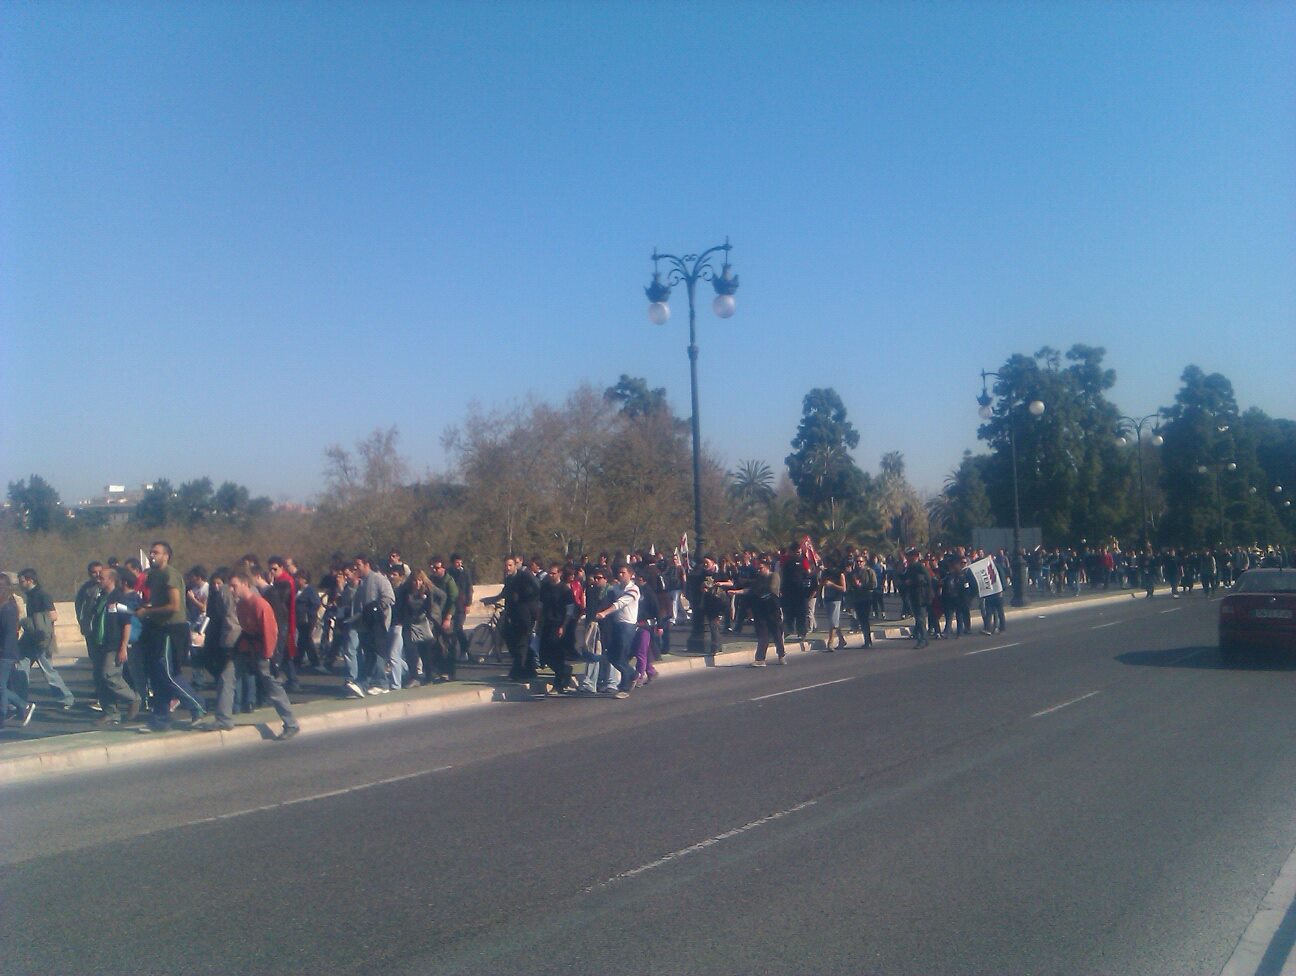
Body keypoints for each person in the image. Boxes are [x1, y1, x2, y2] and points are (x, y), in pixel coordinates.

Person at [214, 571, 299, 740]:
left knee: (272, 687)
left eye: (234, 586)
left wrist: (270, 657)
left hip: (264, 651)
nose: (231, 590)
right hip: (247, 648)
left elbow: (271, 631)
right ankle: (223, 718)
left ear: (245, 584)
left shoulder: (259, 604)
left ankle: (291, 723)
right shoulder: (240, 605)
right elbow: (246, 631)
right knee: (227, 676)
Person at [135, 542, 206, 731]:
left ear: (166, 556)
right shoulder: (153, 575)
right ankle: (161, 719)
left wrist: (148, 612)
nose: (151, 555)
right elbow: (157, 602)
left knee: (168, 673)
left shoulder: (170, 575)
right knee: (157, 676)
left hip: (172, 629)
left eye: (156, 552)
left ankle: (197, 706)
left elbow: (173, 606)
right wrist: (147, 609)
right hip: (157, 628)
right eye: (151, 552)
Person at [86, 568, 142, 725]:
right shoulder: (100, 598)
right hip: (99, 644)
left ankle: (133, 698)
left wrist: (123, 646)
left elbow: (127, 623)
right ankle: (111, 713)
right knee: (99, 679)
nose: (98, 579)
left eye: (102, 577)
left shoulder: (120, 598)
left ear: (111, 579)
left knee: (109, 675)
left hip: (114, 644)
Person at [15, 569, 76, 710]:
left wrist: (32, 622)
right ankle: (19, 700)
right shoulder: (30, 596)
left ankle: (66, 698)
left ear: (30, 580)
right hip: (30, 639)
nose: (20, 584)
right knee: (21, 668)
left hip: (41, 640)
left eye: (22, 581)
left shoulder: (42, 595)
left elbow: (53, 615)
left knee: (48, 670)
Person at [593, 564, 639, 699]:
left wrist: (604, 613)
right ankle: (632, 674)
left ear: (630, 574)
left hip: (628, 626)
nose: (620, 575)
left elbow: (620, 603)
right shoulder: (616, 588)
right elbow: (606, 596)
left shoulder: (634, 589)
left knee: (621, 656)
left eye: (623, 572)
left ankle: (625, 686)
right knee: (612, 655)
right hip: (616, 625)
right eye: (619, 572)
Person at [0, 573, 36, 729]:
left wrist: (8, 654)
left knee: (1, 686)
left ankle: (6, 713)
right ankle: (22, 706)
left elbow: (10, 634)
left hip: (5, 653)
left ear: (7, 588)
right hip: (4, 652)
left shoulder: (9, 608)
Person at [498, 556, 540, 684]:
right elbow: (504, 594)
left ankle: (517, 672)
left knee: (522, 643)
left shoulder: (524, 576)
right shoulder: (508, 579)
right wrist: (491, 599)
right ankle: (530, 669)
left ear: (515, 565)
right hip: (512, 615)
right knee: (511, 642)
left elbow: (537, 588)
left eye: (510, 565)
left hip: (525, 615)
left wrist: (523, 597)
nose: (508, 568)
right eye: (506, 565)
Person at [537, 562, 576, 695]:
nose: (551, 575)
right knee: (544, 655)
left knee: (557, 654)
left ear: (559, 573)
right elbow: (541, 606)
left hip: (559, 625)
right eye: (550, 573)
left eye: (554, 573)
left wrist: (563, 626)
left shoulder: (565, 590)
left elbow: (569, 611)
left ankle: (558, 685)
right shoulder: (545, 587)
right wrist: (538, 622)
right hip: (546, 624)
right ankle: (565, 670)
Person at [901, 548, 933, 648]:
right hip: (914, 595)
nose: (907, 557)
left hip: (921, 596)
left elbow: (927, 579)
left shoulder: (919, 566)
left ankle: (922, 639)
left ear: (914, 556)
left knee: (920, 619)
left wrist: (912, 581)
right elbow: (904, 577)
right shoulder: (910, 566)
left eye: (909, 556)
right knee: (918, 618)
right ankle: (924, 638)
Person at [447, 554, 473, 661]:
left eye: (460, 562)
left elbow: (469, 589)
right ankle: (451, 652)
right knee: (450, 631)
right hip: (451, 605)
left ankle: (464, 649)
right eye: (457, 562)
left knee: (458, 629)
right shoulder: (449, 573)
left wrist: (468, 604)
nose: (459, 564)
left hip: (461, 605)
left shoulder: (465, 573)